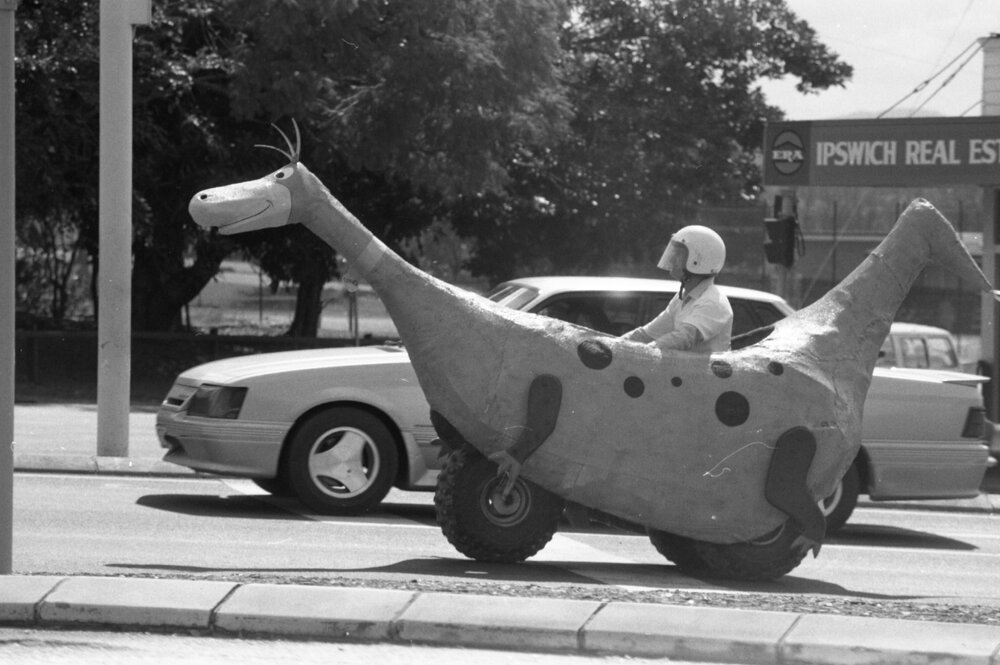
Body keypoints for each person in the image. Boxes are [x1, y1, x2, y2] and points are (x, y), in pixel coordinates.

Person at [621, 225, 733, 352]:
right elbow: (646, 334)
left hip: (701, 372)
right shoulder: (682, 297)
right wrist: (615, 344)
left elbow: (684, 338)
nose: (673, 259)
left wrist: (646, 351)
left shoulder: (713, 302)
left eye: (679, 254)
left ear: (698, 261)